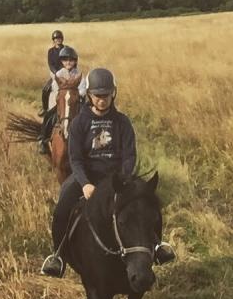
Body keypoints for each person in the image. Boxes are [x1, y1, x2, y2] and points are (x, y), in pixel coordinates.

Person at [41, 67, 176, 277]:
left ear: (113, 93)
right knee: (62, 208)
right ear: (90, 96)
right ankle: (58, 255)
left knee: (148, 203)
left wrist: (122, 180)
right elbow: (75, 158)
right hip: (87, 177)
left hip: (117, 178)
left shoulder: (122, 122)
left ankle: (157, 246)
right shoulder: (79, 123)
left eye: (106, 95)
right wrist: (85, 183)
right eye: (98, 96)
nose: (102, 100)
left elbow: (130, 155)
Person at [38, 45, 87, 154]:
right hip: (63, 101)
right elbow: (55, 87)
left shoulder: (79, 74)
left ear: (75, 61)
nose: (68, 62)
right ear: (62, 62)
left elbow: (83, 88)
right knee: (49, 115)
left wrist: (77, 94)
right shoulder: (59, 74)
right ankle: (43, 139)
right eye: (65, 60)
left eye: (71, 60)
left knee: (87, 116)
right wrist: (62, 93)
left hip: (76, 101)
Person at [38, 30, 66, 154]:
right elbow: (51, 64)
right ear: (53, 40)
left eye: (59, 38)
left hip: (66, 74)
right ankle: (45, 108)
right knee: (45, 89)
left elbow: (70, 62)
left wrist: (64, 72)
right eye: (56, 39)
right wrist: (56, 73)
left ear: (62, 39)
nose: (57, 40)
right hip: (55, 74)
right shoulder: (51, 51)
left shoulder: (66, 50)